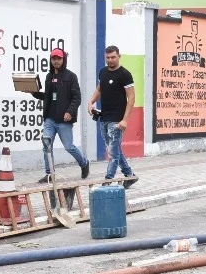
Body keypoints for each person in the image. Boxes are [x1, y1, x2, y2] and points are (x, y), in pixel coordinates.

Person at [35, 48, 89, 183]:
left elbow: (77, 98)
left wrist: (70, 112)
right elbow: (47, 96)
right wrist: (33, 92)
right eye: (53, 59)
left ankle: (84, 163)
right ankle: (50, 174)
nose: (56, 61)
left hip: (64, 120)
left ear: (63, 59)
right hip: (49, 119)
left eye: (58, 59)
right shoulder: (49, 76)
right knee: (47, 146)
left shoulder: (71, 76)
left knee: (69, 147)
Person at [88, 45, 136, 188]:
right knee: (114, 149)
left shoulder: (124, 74)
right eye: (108, 57)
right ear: (105, 57)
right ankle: (130, 175)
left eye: (113, 57)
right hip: (104, 118)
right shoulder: (102, 72)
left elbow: (132, 98)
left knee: (112, 153)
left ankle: (107, 181)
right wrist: (91, 102)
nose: (111, 60)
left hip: (117, 120)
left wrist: (125, 120)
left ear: (119, 56)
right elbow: (99, 89)